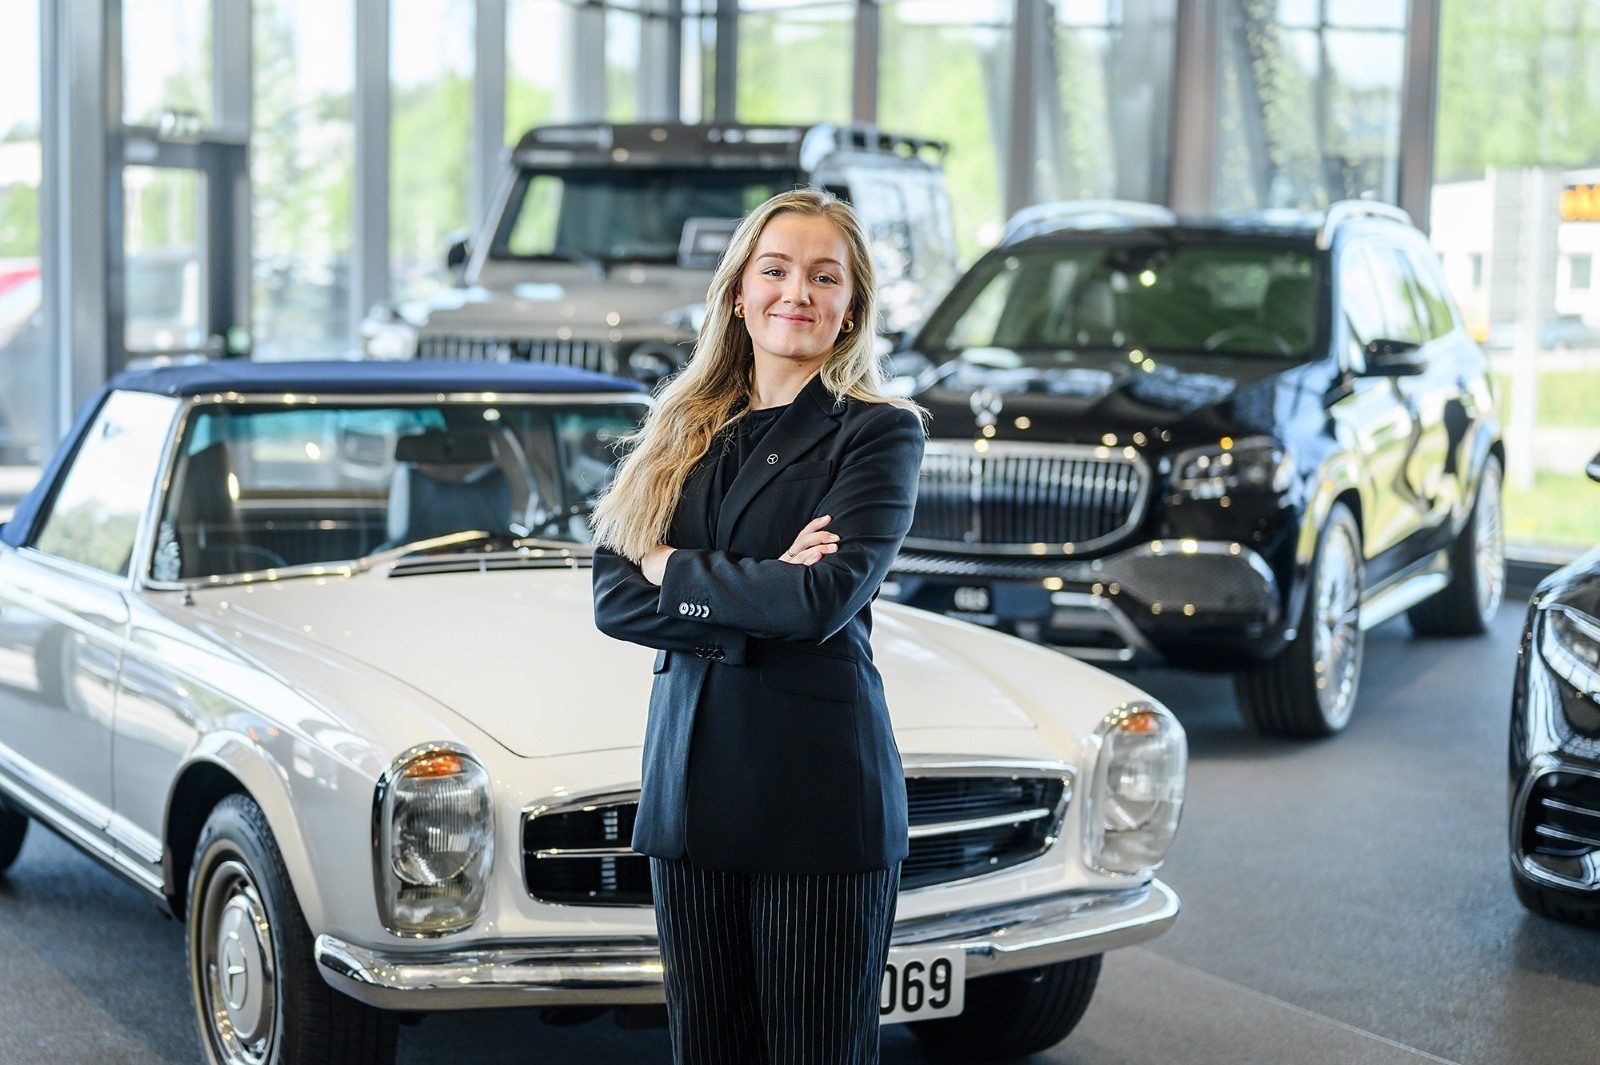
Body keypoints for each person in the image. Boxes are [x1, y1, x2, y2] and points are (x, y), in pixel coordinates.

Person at [590, 187, 925, 1064]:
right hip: (689, 796)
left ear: (851, 307)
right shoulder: (678, 430)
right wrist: (759, 590)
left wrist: (674, 565)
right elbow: (614, 597)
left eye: (824, 276)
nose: (797, 294)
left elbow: (819, 602)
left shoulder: (878, 437)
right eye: (775, 270)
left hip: (814, 802)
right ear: (739, 289)